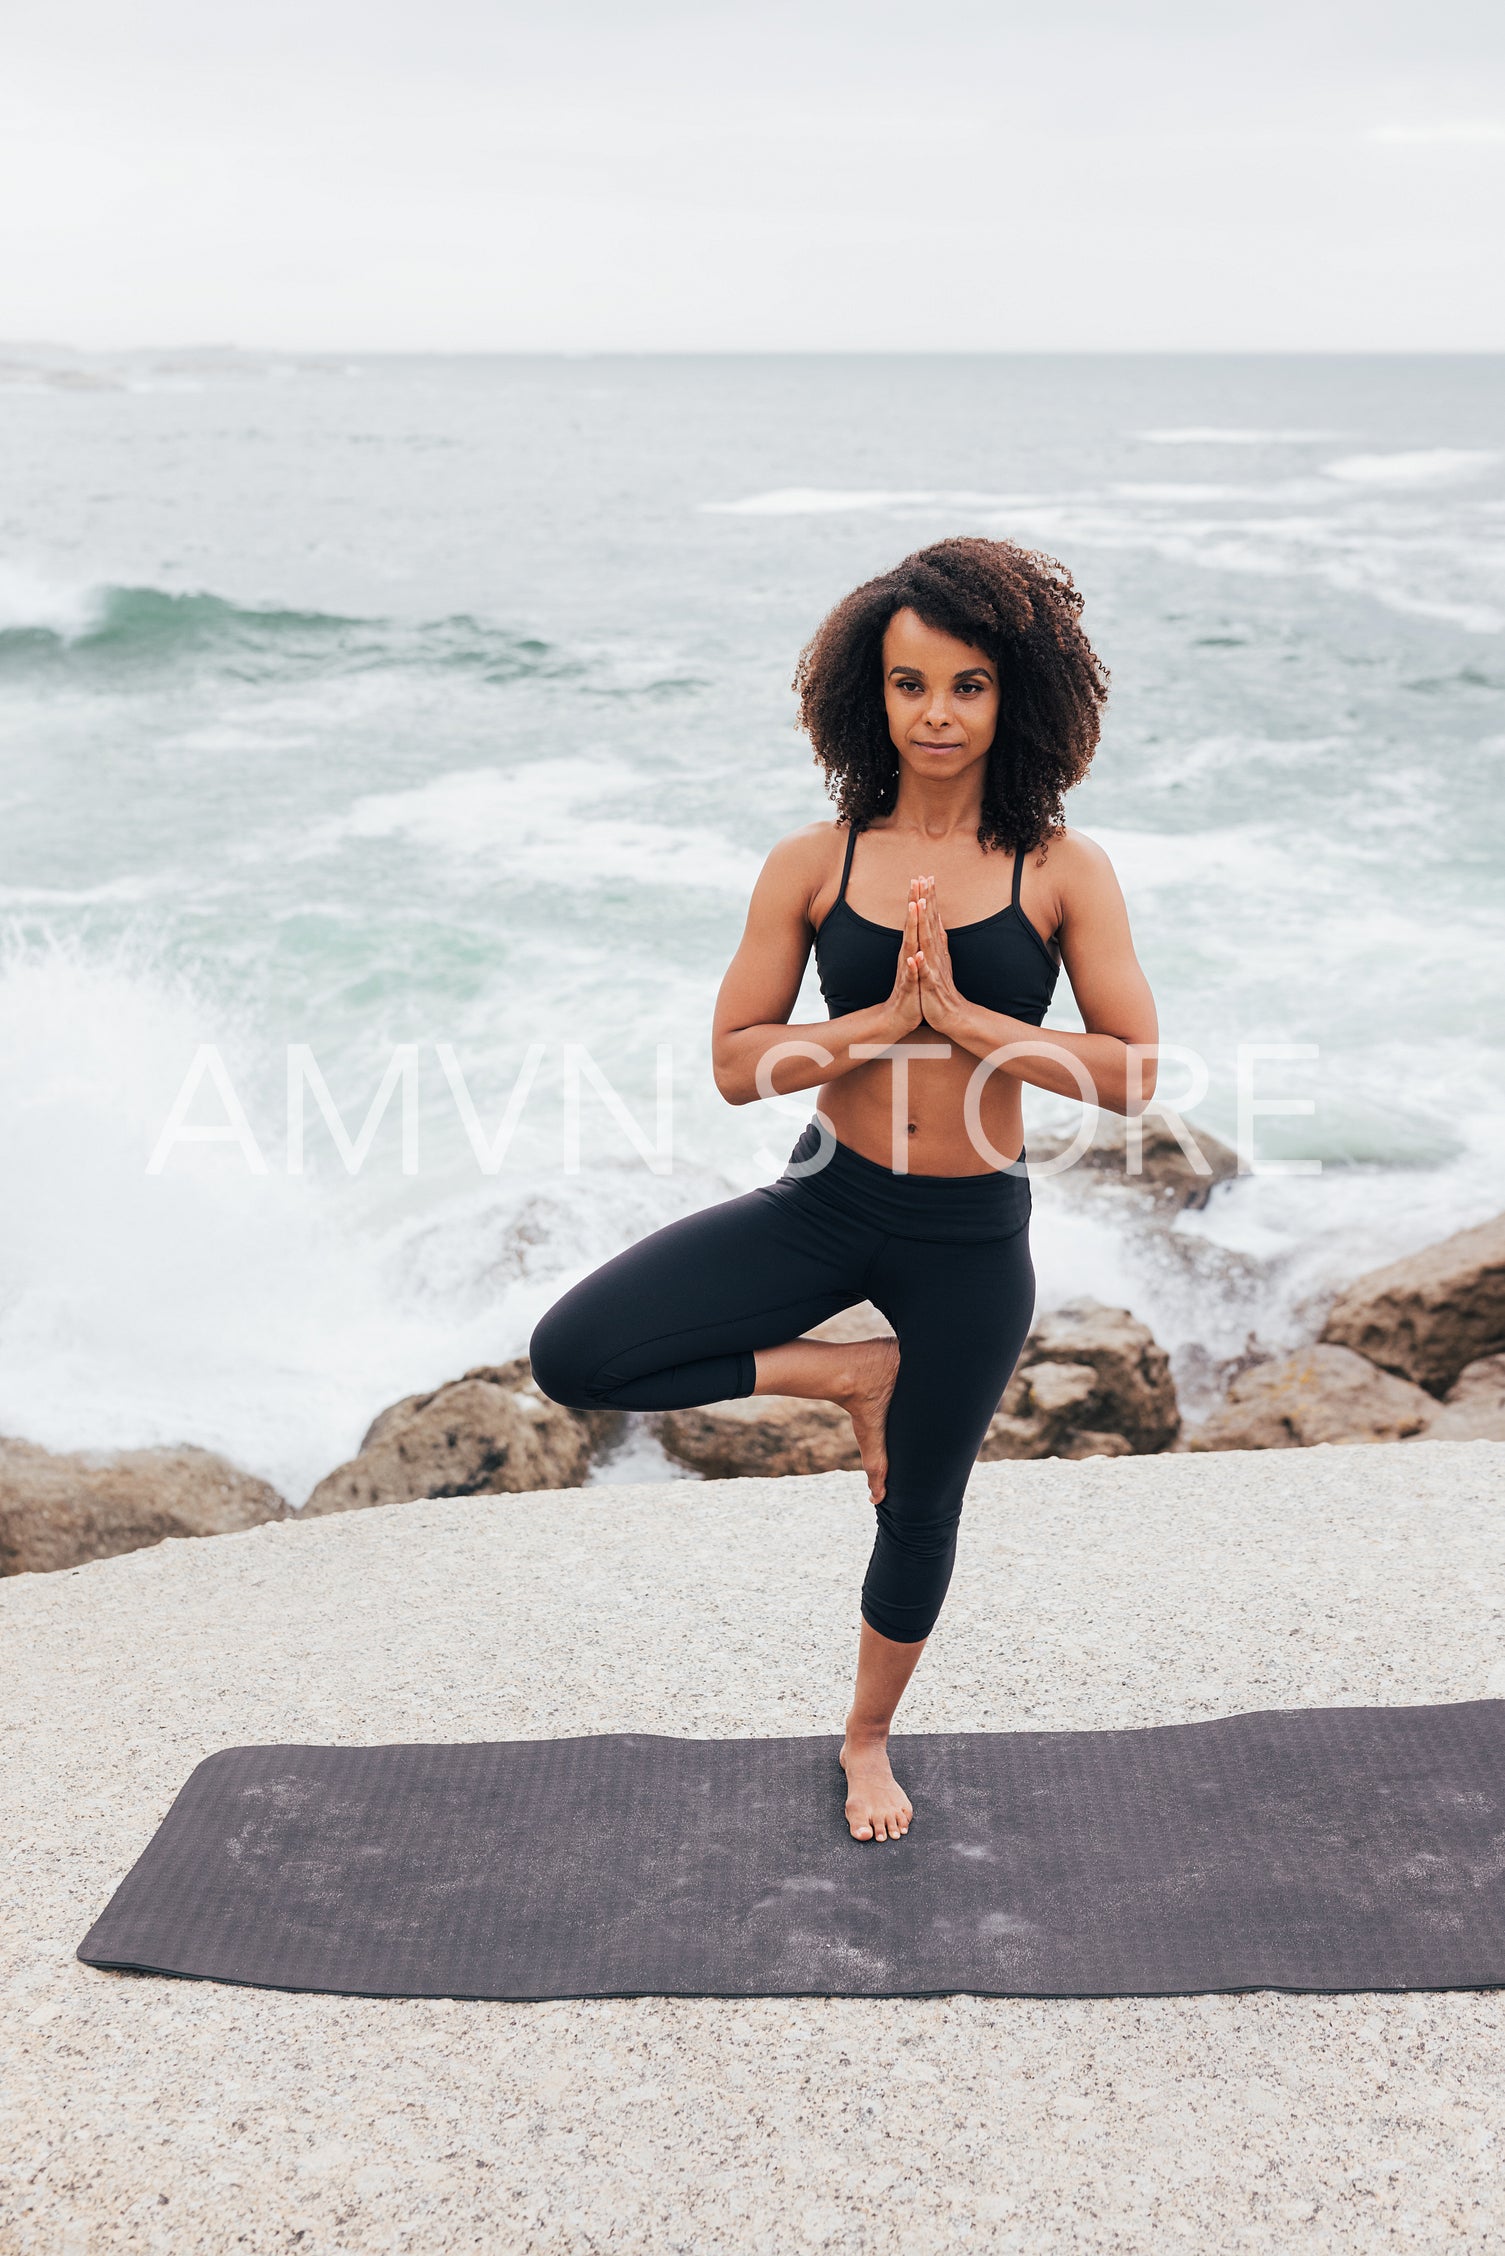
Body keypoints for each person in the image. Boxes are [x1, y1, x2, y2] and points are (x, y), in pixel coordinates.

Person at [530, 536, 1157, 1843]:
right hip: (823, 1194)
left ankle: (865, 1738)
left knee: (918, 1509)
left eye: (967, 685)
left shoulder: (1057, 869)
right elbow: (734, 1065)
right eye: (909, 683)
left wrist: (967, 1023)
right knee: (576, 1352)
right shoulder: (812, 863)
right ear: (865, 695)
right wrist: (880, 1022)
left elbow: (1129, 1071)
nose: (935, 714)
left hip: (970, 1234)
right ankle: (844, 1375)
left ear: (1015, 696)